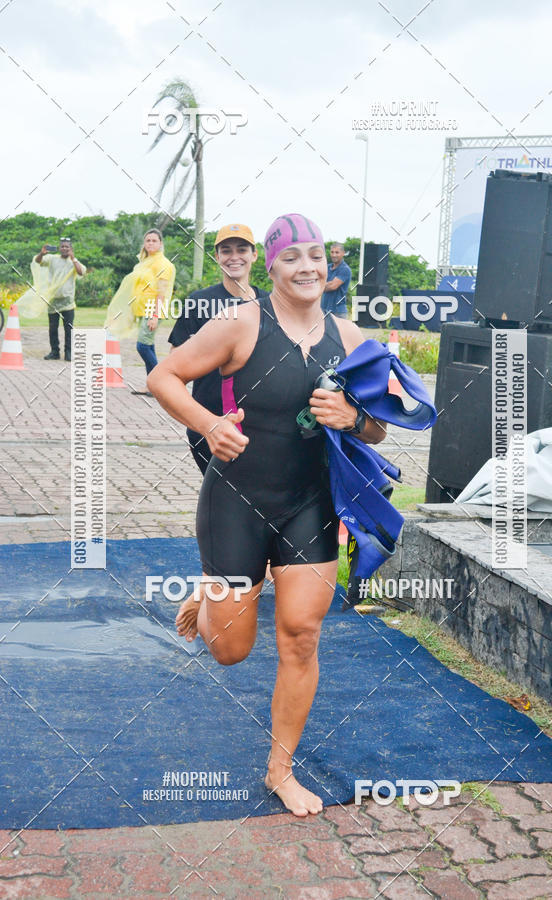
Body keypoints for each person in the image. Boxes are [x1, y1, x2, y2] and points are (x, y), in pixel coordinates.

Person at [148, 213, 386, 817]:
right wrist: (208, 424)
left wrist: (352, 419)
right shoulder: (240, 323)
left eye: (315, 256)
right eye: (291, 258)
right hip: (236, 498)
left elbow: (381, 428)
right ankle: (210, 596)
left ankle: (281, 770)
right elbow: (163, 375)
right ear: (271, 267)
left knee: (302, 636)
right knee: (229, 650)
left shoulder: (353, 338)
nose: (306, 267)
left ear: (327, 267)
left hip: (310, 503)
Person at [169, 223, 269, 473]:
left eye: (241, 249)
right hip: (210, 425)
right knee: (219, 500)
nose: (234, 257)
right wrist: (200, 421)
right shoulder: (198, 303)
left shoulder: (270, 304)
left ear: (254, 255)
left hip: (261, 425)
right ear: (217, 257)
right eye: (226, 250)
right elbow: (173, 368)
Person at [105, 228, 175, 394]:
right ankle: (152, 386)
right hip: (143, 308)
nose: (150, 243)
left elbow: (162, 292)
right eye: (148, 240)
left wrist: (155, 316)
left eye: (154, 241)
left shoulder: (162, 264)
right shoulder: (145, 262)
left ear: (160, 244)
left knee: (142, 346)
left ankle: (160, 382)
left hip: (154, 308)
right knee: (148, 346)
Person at [33, 238, 86, 361]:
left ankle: (68, 352)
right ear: (59, 247)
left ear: (71, 249)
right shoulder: (52, 258)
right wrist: (42, 253)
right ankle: (54, 352)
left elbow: (81, 272)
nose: (64, 249)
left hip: (67, 301)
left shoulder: (74, 261)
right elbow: (38, 261)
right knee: (53, 328)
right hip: (53, 301)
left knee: (69, 328)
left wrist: (74, 259)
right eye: (62, 246)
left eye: (67, 247)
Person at [321, 242, 351, 318]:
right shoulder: (326, 267)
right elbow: (319, 281)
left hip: (338, 312)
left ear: (343, 253)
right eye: (332, 252)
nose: (334, 255)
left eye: (337, 252)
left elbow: (332, 286)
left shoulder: (345, 269)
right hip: (323, 310)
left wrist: (317, 286)